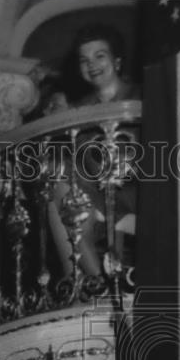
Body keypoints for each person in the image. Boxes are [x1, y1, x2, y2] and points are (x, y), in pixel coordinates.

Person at [47, 23, 141, 279]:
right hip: (97, 190)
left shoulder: (140, 96)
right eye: (84, 60)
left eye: (100, 56)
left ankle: (107, 282)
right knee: (62, 184)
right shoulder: (81, 107)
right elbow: (75, 157)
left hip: (139, 187)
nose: (92, 65)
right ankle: (99, 281)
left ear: (117, 61)